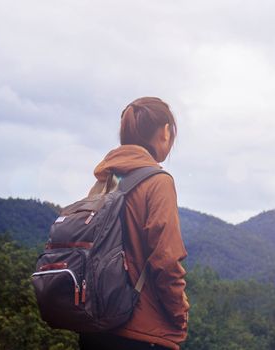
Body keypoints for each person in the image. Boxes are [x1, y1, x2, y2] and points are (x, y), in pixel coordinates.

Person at [79, 97, 189, 350]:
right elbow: (166, 260)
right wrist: (179, 314)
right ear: (164, 132)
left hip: (94, 326)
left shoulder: (105, 180)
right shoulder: (158, 182)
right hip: (141, 332)